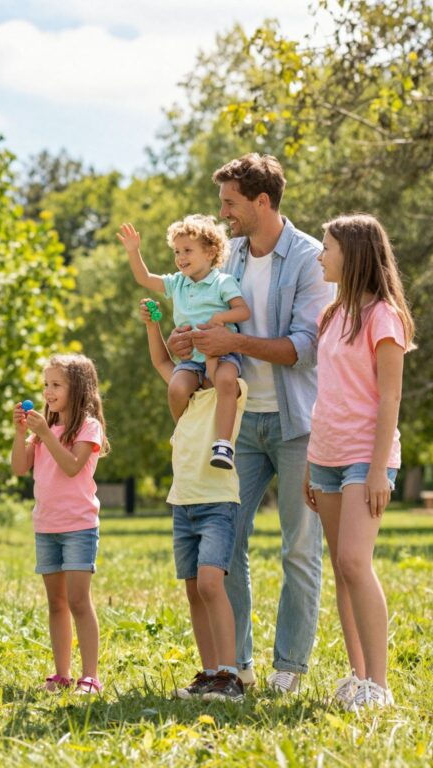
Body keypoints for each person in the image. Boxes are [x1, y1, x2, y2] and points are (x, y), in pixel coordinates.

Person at [168, 153, 330, 692]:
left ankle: (289, 668)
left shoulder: (308, 258)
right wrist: (186, 341)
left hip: (295, 420)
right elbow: (202, 320)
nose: (223, 213)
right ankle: (236, 666)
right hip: (235, 423)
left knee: (298, 547)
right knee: (226, 544)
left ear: (262, 201)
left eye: (231, 203)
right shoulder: (226, 254)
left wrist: (233, 341)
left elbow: (305, 348)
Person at [304, 214, 414, 710]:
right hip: (325, 455)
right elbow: (326, 393)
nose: (320, 256)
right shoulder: (331, 316)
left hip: (364, 458)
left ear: (353, 254)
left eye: (327, 247)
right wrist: (311, 461)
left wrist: (376, 470)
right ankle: (359, 678)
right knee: (342, 569)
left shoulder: (384, 317)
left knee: (354, 561)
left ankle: (380, 686)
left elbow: (390, 398)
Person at [141, 299, 248, 702]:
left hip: (217, 502)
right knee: (193, 590)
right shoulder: (186, 397)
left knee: (210, 584)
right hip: (183, 502)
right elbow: (160, 362)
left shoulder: (230, 392)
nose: (200, 350)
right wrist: (153, 325)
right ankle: (209, 672)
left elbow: (220, 370)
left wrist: (216, 344)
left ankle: (231, 675)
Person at [10, 354, 109, 695]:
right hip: (46, 526)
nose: (47, 392)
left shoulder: (88, 427)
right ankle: (62, 674)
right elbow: (19, 467)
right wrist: (21, 433)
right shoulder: (44, 431)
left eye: (56, 385)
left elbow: (71, 466)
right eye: (45, 384)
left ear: (77, 388)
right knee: (56, 603)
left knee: (79, 600)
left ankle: (90, 676)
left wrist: (43, 434)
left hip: (79, 526)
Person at [118, 216, 250, 469]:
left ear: (210, 252)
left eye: (187, 250)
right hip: (191, 360)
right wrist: (133, 251)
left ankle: (223, 444)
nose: (180, 257)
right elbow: (144, 278)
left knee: (225, 381)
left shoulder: (222, 282)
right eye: (177, 251)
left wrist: (220, 319)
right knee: (177, 388)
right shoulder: (177, 282)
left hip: (223, 355)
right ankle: (184, 431)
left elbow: (243, 311)